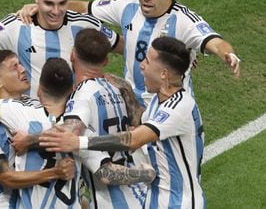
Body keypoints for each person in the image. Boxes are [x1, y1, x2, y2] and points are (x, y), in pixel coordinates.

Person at [17, 0, 241, 107]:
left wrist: (228, 55)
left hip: (168, 106)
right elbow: (85, 6)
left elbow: (213, 41)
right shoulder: (127, 6)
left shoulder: (183, 20)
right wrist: (43, 8)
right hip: (132, 106)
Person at [39, 36, 206, 209]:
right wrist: (121, 84)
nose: (141, 66)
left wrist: (78, 141)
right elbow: (143, 122)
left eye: (147, 62)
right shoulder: (159, 102)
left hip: (179, 204)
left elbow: (134, 139)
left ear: (164, 74)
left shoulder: (179, 107)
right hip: (156, 200)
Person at [12, 29, 154, 208]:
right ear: (105, 61)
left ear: (72, 55)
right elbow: (141, 124)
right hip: (141, 195)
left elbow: (69, 133)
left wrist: (28, 140)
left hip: (112, 201)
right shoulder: (120, 86)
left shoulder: (81, 97)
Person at [0, 50, 75, 208]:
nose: (22, 69)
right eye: (14, 67)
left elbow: (66, 129)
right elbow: (5, 178)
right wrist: (55, 173)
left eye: (20, 64)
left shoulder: (35, 106)